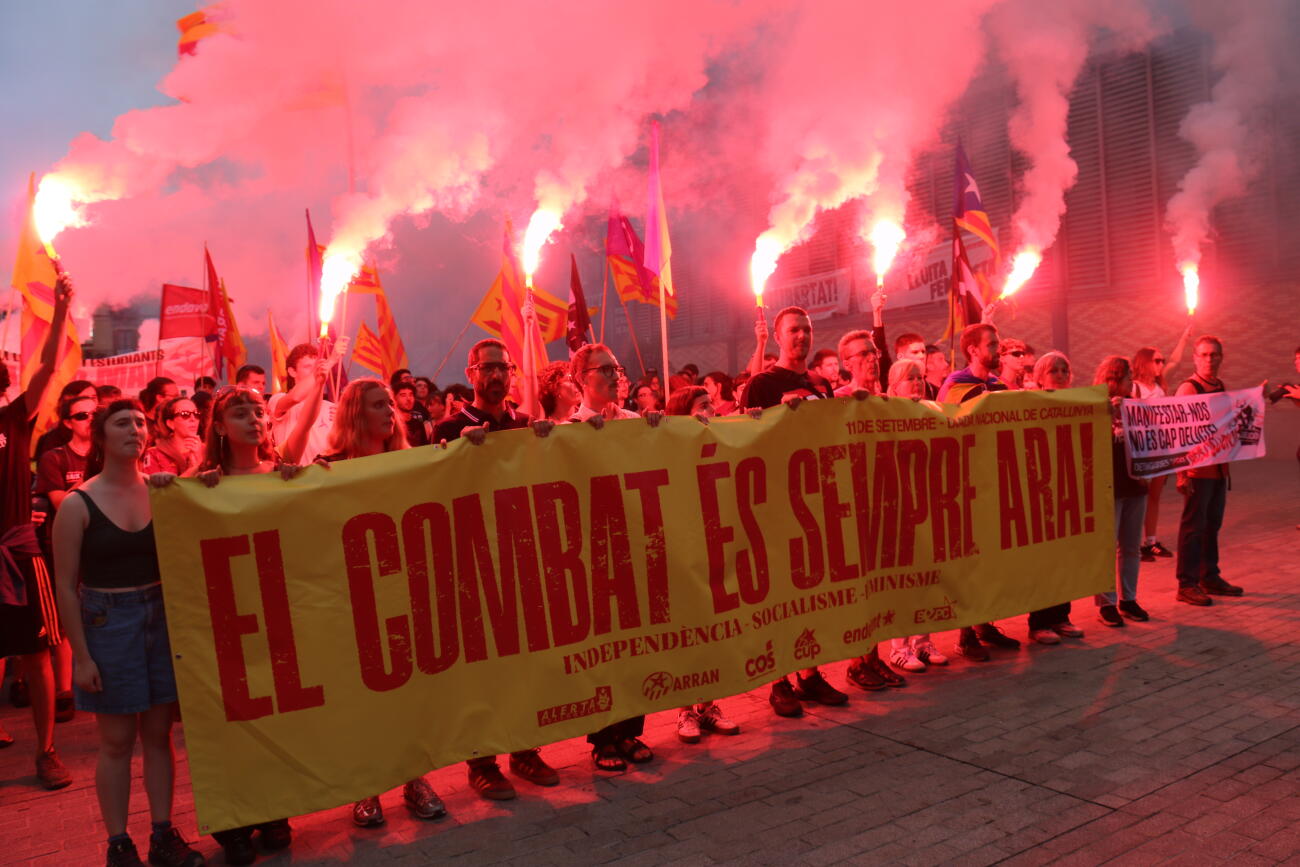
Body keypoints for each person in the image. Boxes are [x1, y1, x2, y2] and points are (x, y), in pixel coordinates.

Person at [151, 387, 310, 864]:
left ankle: (274, 806)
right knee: (228, 720)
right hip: (221, 620)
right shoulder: (198, 483)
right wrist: (169, 488)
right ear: (218, 427)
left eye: (259, 411)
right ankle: (232, 819)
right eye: (239, 413)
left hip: (276, 614)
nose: (253, 419)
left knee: (276, 714)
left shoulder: (282, 474)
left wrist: (301, 483)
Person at [51, 399, 205, 867]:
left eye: (140, 422)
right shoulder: (79, 504)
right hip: (107, 622)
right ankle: (119, 844)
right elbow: (65, 585)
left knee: (159, 735)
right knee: (116, 740)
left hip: (160, 617)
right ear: (100, 436)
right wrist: (81, 656)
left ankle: (163, 834)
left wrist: (198, 475)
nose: (134, 429)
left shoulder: (163, 490)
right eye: (122, 422)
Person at [431, 339, 562, 798]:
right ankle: (481, 761)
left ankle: (524, 748)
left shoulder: (526, 425)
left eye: (502, 367)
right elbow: (438, 486)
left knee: (526, 663)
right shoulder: (447, 426)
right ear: (470, 373)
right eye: (486, 367)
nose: (496, 375)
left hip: (522, 556)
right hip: (475, 560)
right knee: (482, 669)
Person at [321, 379, 448, 826]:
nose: (388, 413)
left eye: (389, 405)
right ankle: (367, 787)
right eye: (377, 405)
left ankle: (415, 779)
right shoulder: (327, 467)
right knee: (364, 697)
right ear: (355, 414)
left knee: (410, 693)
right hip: (352, 596)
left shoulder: (409, 461)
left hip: (404, 591)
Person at [740, 308, 849, 714]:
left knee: (810, 594)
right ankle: (778, 680)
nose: (800, 336)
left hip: (815, 500)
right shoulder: (762, 384)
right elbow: (745, 438)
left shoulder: (821, 382)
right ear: (778, 336)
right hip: (774, 503)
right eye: (793, 330)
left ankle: (809, 673)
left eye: (806, 329)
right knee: (777, 597)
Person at [568, 344, 661, 769]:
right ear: (581, 378)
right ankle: (602, 738)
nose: (613, 375)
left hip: (635, 546)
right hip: (593, 552)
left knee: (635, 647)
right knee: (603, 650)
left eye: (616, 368)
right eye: (603, 369)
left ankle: (629, 732)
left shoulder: (638, 424)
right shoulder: (568, 429)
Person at [0, 271, 74, 791]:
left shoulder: (13, 420)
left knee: (38, 651)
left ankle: (46, 751)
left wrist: (63, 309)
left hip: (18, 553)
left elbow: (47, 366)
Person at [664, 386, 742, 742]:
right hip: (682, 550)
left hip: (716, 545)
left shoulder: (721, 439)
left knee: (713, 627)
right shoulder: (668, 448)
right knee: (687, 633)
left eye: (712, 403)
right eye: (702, 406)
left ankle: (708, 706)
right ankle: (684, 712)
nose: (711, 410)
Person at [937, 324, 1020, 660]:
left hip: (994, 481)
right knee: (968, 560)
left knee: (990, 560)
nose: (998, 349)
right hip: (964, 482)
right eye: (992, 344)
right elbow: (944, 424)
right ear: (972, 350)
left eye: (998, 343)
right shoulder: (955, 385)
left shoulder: (1000, 385)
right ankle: (966, 633)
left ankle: (986, 622)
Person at [34, 395, 100, 723]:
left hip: (102, 547)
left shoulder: (106, 456)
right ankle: (64, 689)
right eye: (82, 414)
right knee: (65, 613)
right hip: (68, 547)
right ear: (68, 422)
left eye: (95, 413)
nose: (90, 418)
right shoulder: (54, 457)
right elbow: (62, 502)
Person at [1174, 336, 1242, 604]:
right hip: (1197, 471)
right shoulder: (1189, 389)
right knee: (1193, 526)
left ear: (1221, 357)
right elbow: (1178, 432)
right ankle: (1186, 583)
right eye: (1203, 355)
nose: (1209, 360)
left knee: (1212, 524)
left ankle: (1208, 575)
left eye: (1214, 355)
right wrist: (1181, 473)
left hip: (1218, 469)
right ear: (1194, 357)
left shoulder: (1220, 386)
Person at [1024, 351, 1086, 643]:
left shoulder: (1077, 404)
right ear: (1039, 377)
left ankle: (1062, 615)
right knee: (1042, 561)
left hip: (1066, 489)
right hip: (1039, 490)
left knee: (1065, 557)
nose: (1060, 375)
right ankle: (1039, 622)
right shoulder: (1030, 404)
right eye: (1053, 371)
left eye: (1065, 370)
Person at [1094, 356, 1150, 627]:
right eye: (1129, 376)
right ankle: (1107, 603)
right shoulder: (1097, 406)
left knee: (1130, 546)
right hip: (1109, 485)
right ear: (1114, 379)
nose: (1133, 381)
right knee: (1107, 546)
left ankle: (1129, 598)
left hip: (1135, 484)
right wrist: (1108, 415)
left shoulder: (1135, 406)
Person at [1130, 345, 1182, 561]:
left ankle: (1150, 541)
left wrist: (1184, 336)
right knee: (1138, 497)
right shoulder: (1134, 387)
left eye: (1162, 361)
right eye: (1157, 361)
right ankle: (1131, 543)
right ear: (1145, 363)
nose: (1161, 364)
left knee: (1154, 496)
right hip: (1142, 449)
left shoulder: (1160, 386)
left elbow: (1176, 363)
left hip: (1161, 446)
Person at [267, 341, 346, 464]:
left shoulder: (331, 407)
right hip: (295, 478)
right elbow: (296, 397)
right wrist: (330, 361)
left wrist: (344, 424)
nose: (316, 370)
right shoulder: (277, 400)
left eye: (317, 365)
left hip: (326, 479)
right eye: (308, 366)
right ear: (292, 371)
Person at [140, 396, 203, 476]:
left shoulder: (208, 450)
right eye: (185, 414)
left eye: (196, 414)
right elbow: (155, 488)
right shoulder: (154, 454)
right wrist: (194, 468)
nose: (193, 419)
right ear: (171, 424)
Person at [33, 380, 96, 458]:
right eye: (84, 397)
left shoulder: (106, 434)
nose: (91, 402)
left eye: (94, 397)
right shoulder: (52, 440)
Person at [833, 329, 882, 397]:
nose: (873, 358)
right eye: (863, 354)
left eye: (874, 352)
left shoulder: (884, 398)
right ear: (847, 365)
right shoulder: (838, 398)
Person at [393, 381, 430, 446]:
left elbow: (425, 443)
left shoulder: (418, 420)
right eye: (403, 395)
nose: (408, 399)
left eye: (411, 395)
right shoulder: (392, 422)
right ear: (394, 399)